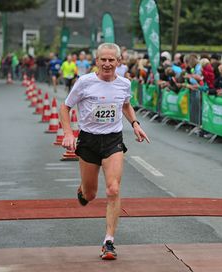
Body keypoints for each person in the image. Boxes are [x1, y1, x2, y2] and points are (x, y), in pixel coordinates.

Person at [60, 43, 149, 261]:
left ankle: (108, 241)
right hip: (88, 140)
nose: (107, 64)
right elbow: (65, 107)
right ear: (96, 61)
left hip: (112, 140)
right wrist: (69, 133)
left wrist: (135, 123)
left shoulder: (124, 84)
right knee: (90, 195)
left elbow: (125, 105)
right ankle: (83, 190)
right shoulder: (84, 82)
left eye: (112, 60)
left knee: (113, 189)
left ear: (119, 62)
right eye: (103, 60)